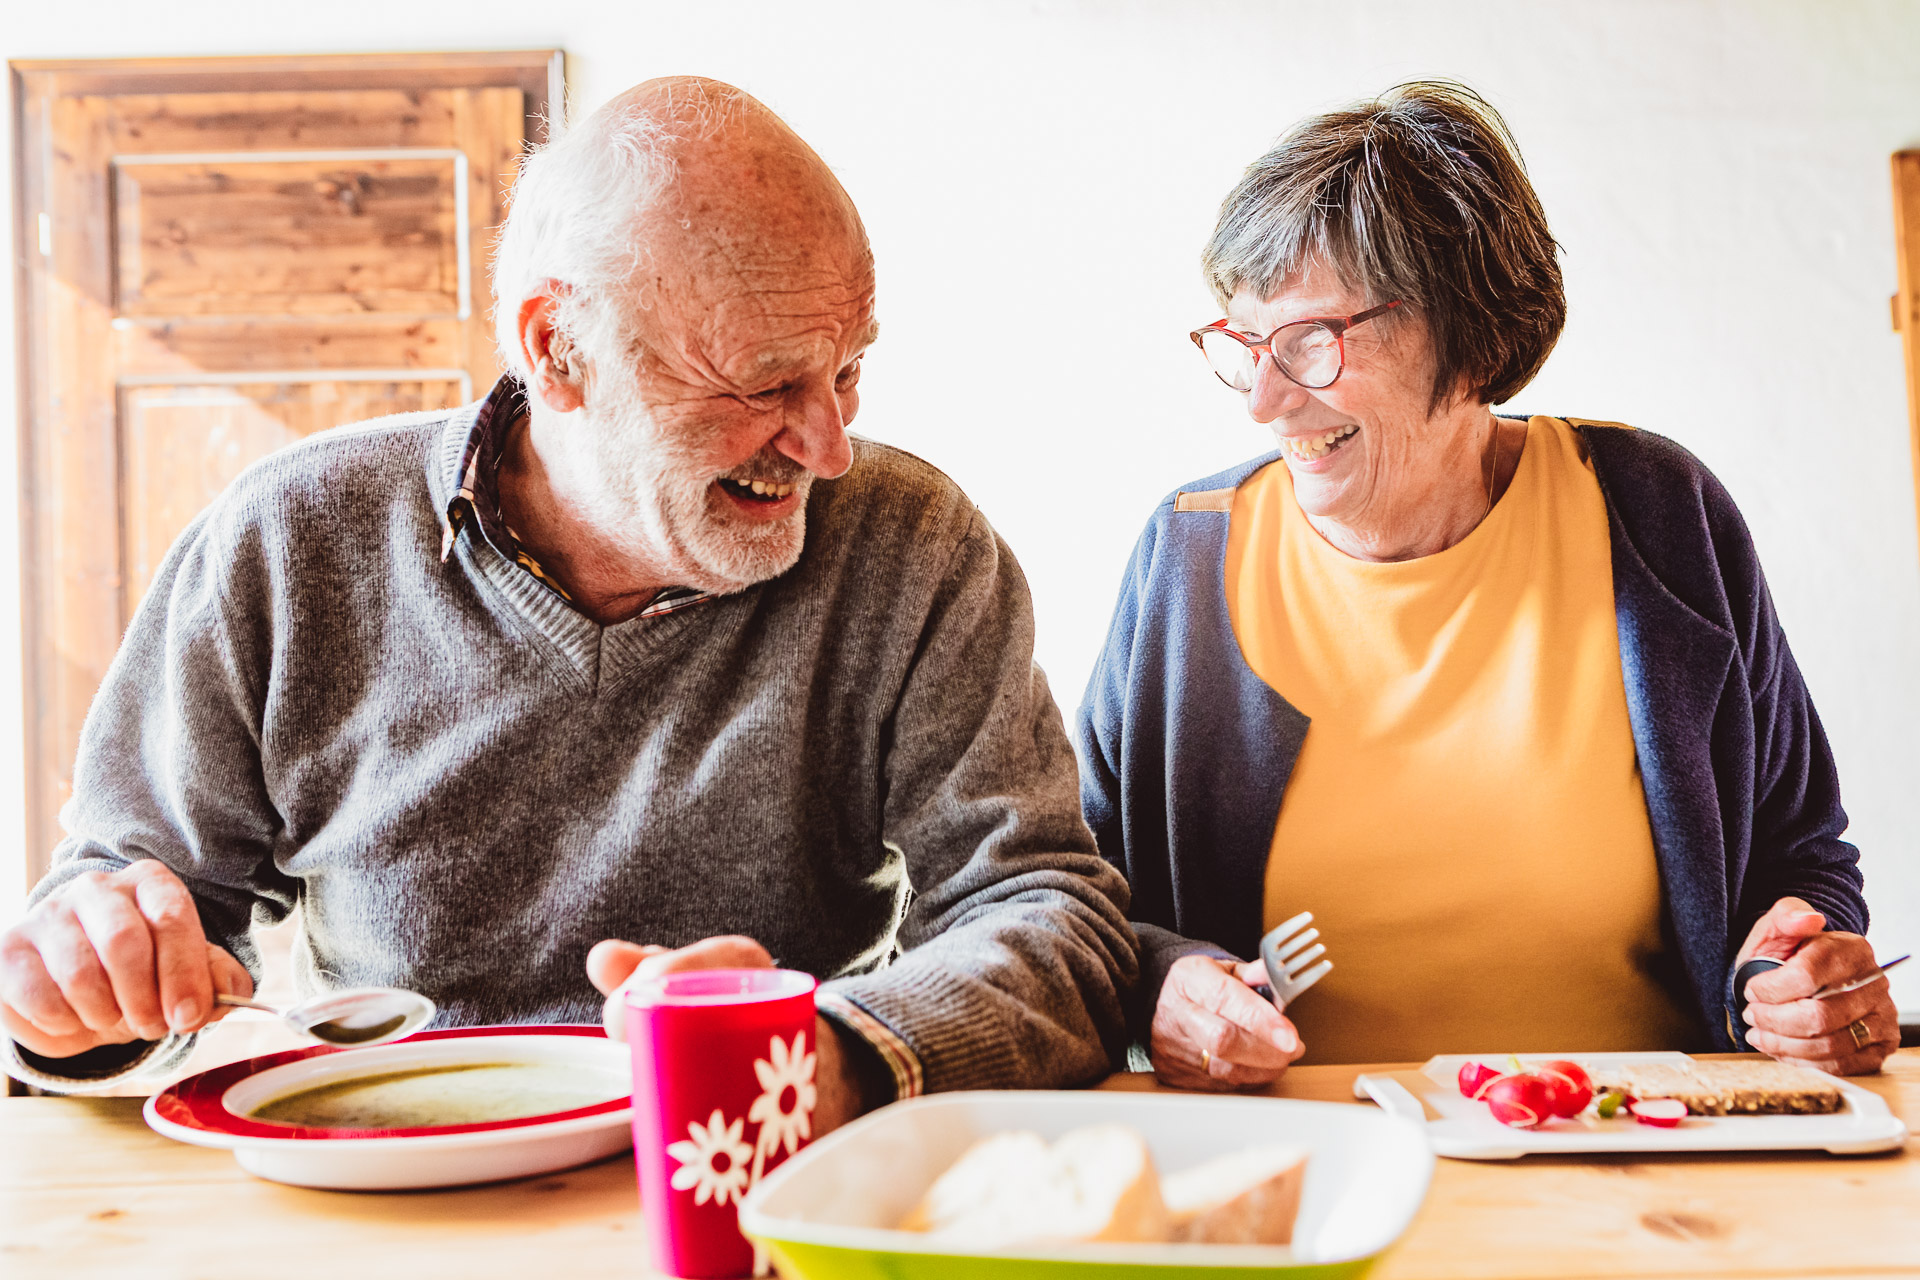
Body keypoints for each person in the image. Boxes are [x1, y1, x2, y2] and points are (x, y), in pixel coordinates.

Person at [0, 77, 1138, 1121]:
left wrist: (818, 1047)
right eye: (764, 382)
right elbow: (130, 913)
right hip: (384, 1169)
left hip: (759, 1164)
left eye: (846, 369)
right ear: (561, 350)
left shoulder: (912, 546)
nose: (828, 446)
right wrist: (80, 990)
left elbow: (1053, 916)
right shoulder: (289, 541)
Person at [1075, 82, 1893, 1089]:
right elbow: (1073, 901)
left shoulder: (1658, 516)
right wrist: (1164, 976)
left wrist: (1789, 975)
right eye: (1246, 343)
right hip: (1309, 1154)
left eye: (1311, 343)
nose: (1263, 399)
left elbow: (1801, 857)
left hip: (1642, 1150)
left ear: (1468, 338)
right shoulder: (1187, 557)